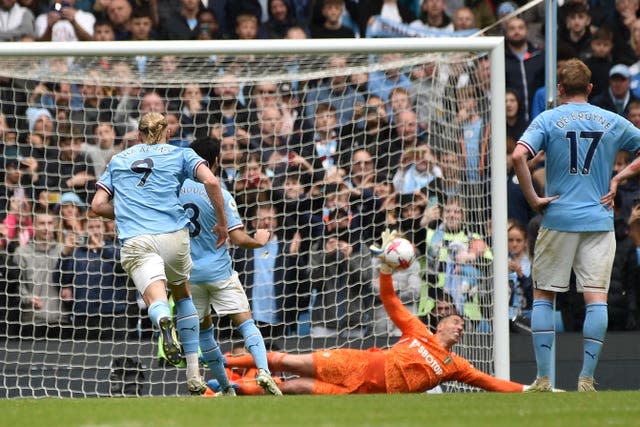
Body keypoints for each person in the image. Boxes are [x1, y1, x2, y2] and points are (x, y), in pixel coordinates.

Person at [224, 230, 536, 395]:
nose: (460, 327)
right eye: (455, 321)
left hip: (362, 393)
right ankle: (223, 362)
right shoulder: (417, 331)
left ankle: (230, 391)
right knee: (288, 362)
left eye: (462, 326)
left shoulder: (454, 365)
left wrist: (529, 388)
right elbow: (388, 298)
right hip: (357, 363)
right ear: (439, 324)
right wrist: (385, 269)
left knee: (291, 387)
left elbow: (491, 382)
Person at [512, 58, 640, 392]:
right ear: (590, 88)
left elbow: (517, 156)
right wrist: (620, 177)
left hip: (558, 218)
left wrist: (533, 199)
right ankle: (586, 377)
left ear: (558, 89)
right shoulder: (611, 120)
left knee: (544, 296)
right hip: (599, 219)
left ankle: (542, 377)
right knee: (596, 298)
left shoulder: (549, 118)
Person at [91, 112, 229, 395]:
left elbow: (97, 205)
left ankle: (162, 319)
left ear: (139, 135)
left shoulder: (119, 160)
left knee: (156, 298)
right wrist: (222, 223)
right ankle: (193, 374)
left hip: (138, 239)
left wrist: (130, 209)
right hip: (173, 237)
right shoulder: (182, 154)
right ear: (167, 133)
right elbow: (213, 183)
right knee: (182, 293)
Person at [179, 137, 283, 396]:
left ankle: (226, 388)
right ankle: (263, 371)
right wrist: (259, 241)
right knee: (246, 323)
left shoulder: (176, 191)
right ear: (215, 161)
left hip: (190, 275)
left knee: (205, 333)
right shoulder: (221, 194)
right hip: (219, 272)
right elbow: (237, 239)